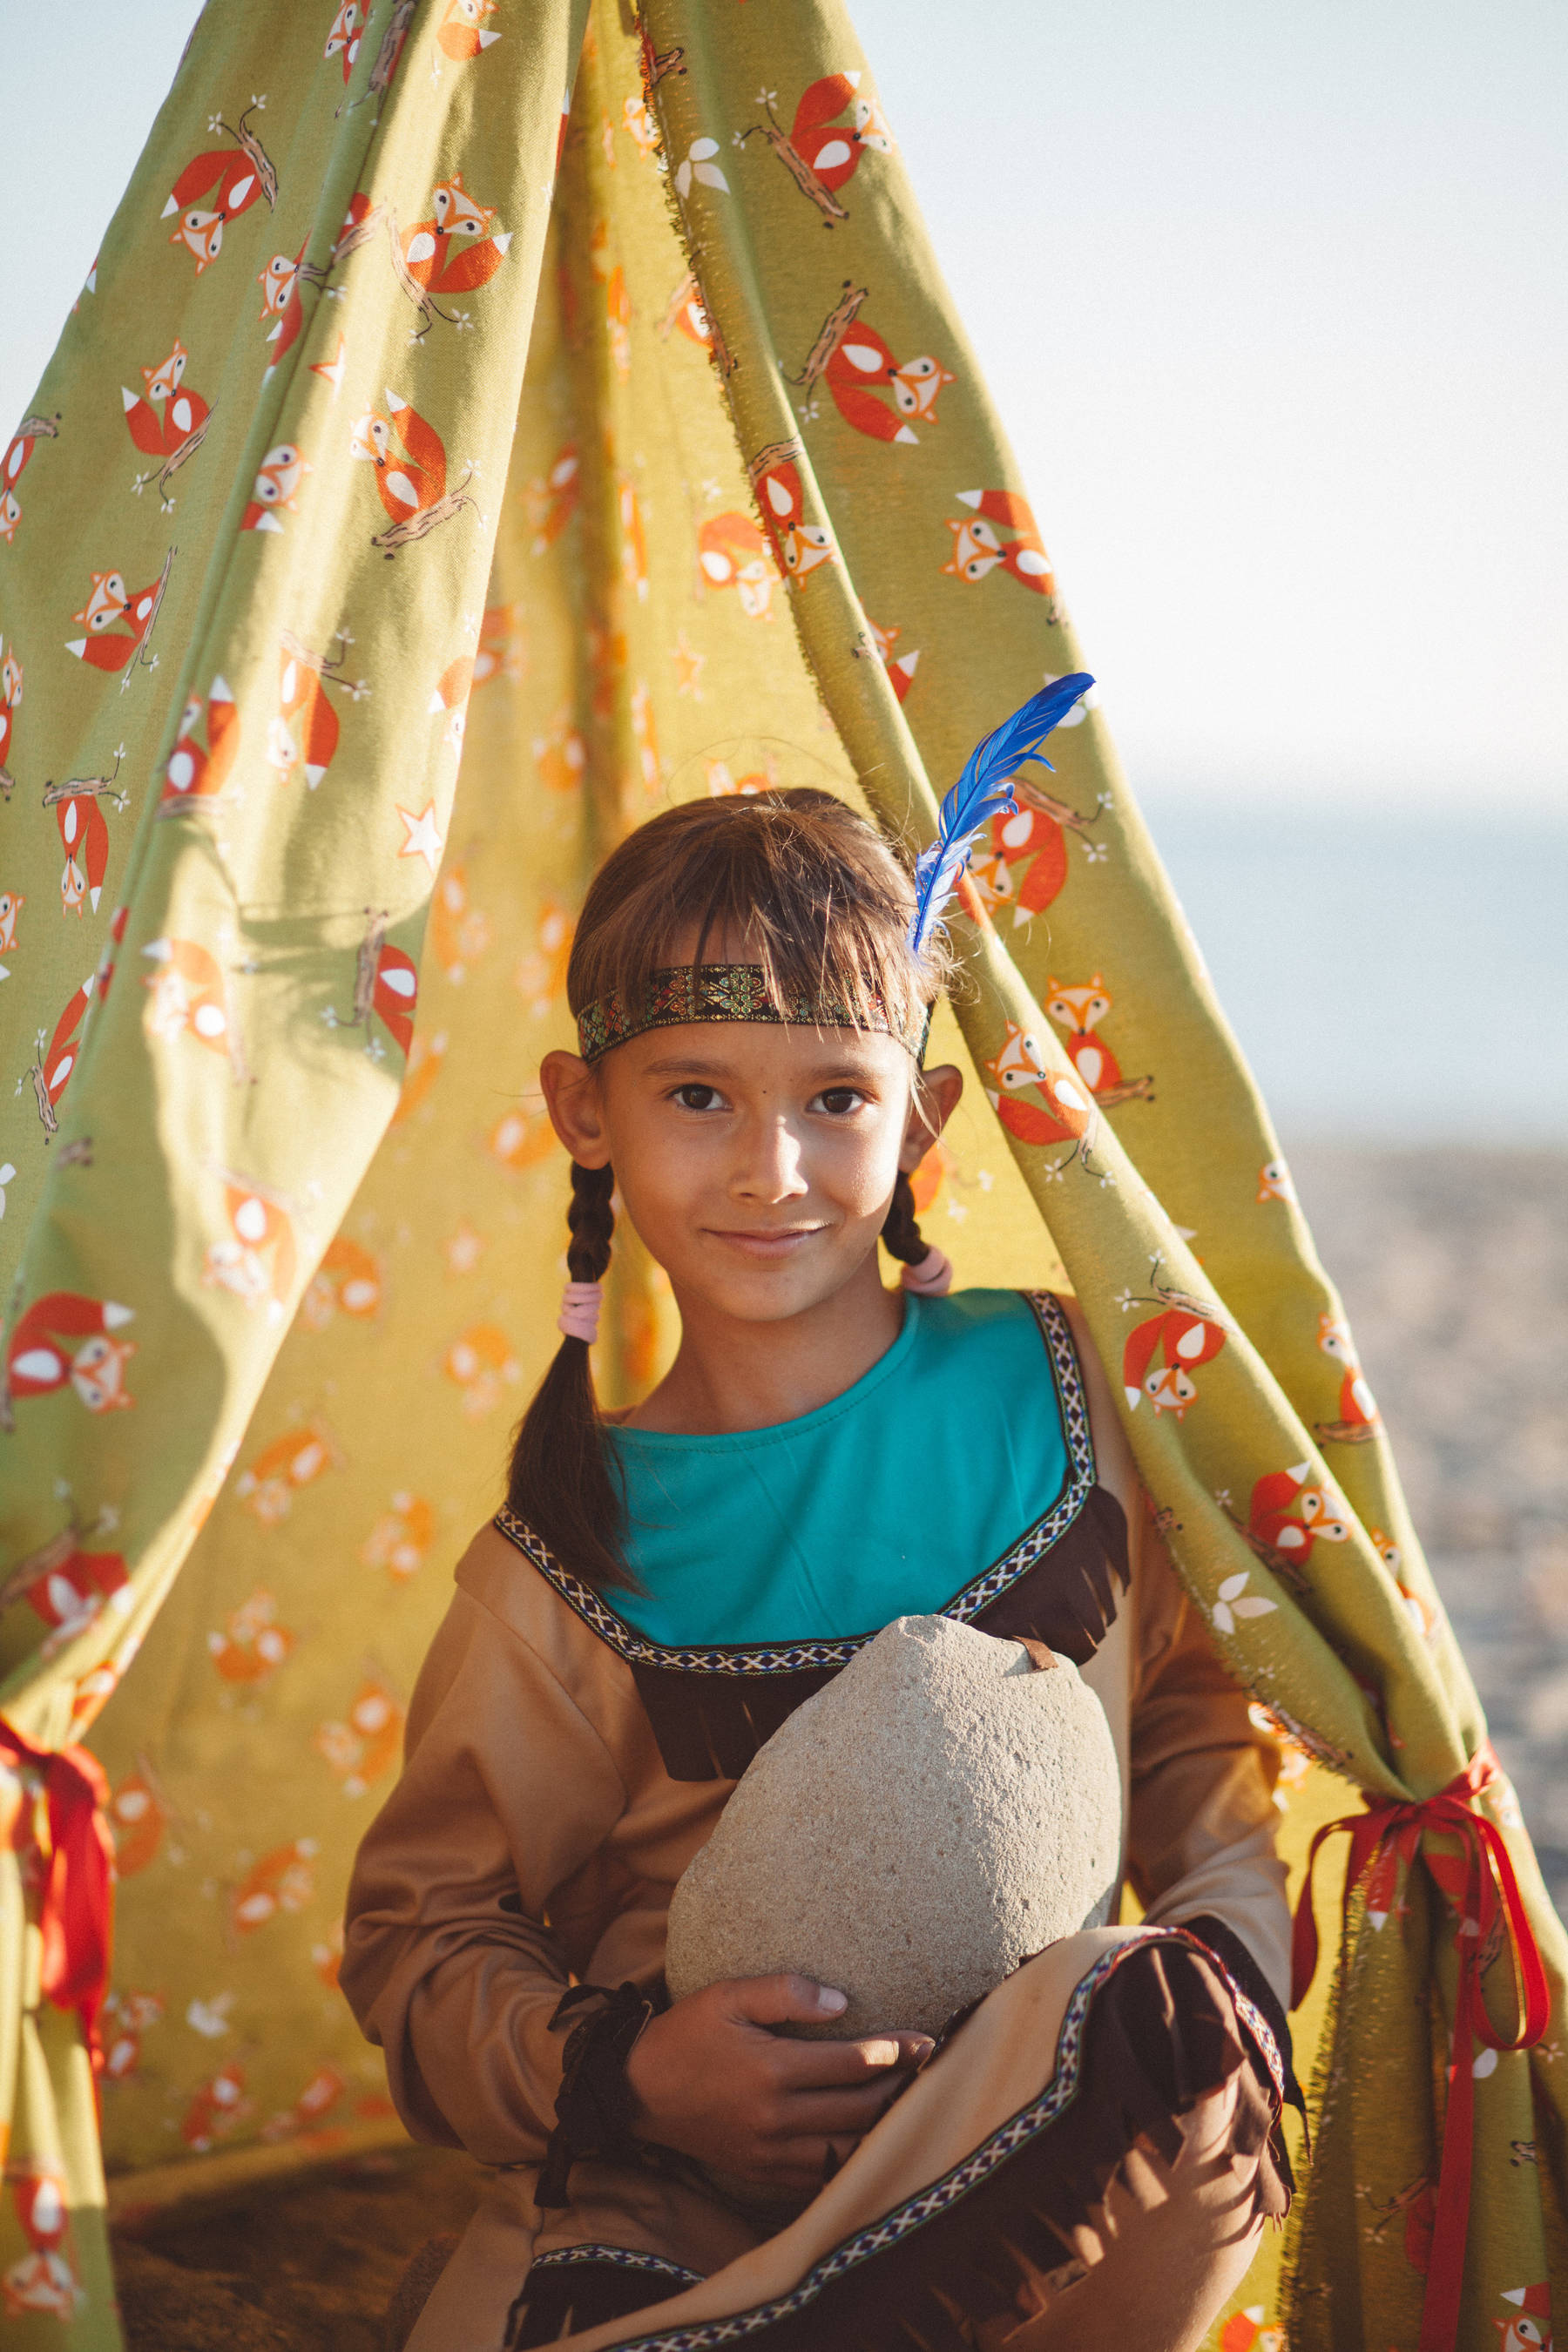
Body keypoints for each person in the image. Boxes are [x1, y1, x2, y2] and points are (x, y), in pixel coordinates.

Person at [341, 751, 1298, 2352]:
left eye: (835, 1098)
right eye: (696, 1093)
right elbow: (420, 1937)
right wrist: (639, 2078)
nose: (769, 1167)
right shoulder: (566, 1556)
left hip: (1074, 2156)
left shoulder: (1070, 1392)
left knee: (1160, 2024)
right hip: (676, 2196)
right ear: (587, 1111)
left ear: (922, 1115)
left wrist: (1236, 1970)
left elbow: (1196, 1720)